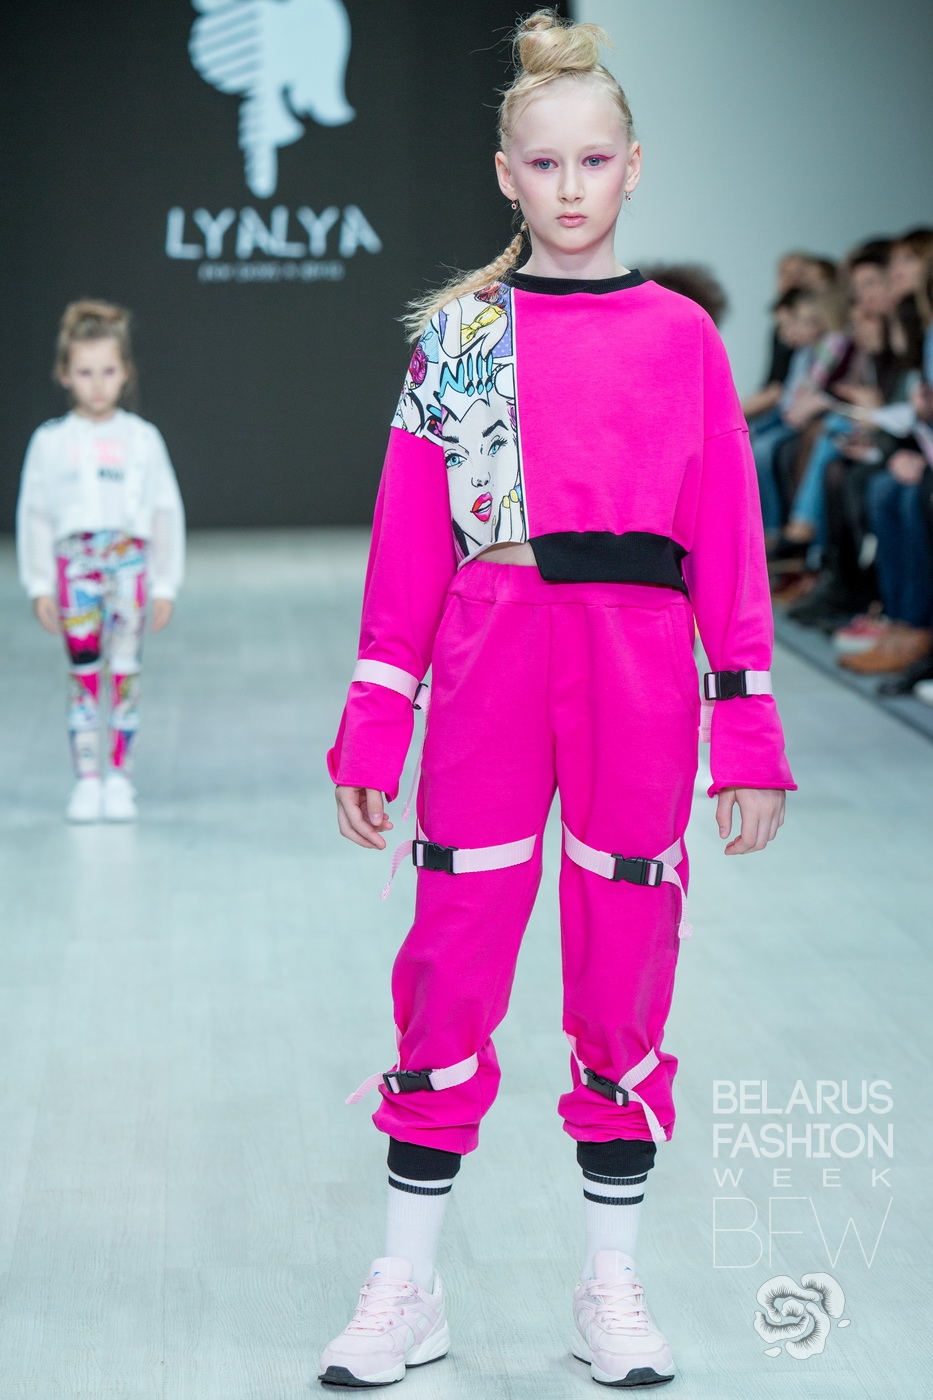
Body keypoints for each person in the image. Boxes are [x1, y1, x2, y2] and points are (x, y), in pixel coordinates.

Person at [323, 10, 793, 1390]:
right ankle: (407, 1283)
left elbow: (730, 539)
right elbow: (410, 542)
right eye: (545, 162)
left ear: (633, 166)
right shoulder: (461, 334)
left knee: (626, 948)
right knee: (453, 943)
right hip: (492, 654)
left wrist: (748, 730)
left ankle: (611, 1283)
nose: (571, 185)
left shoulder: (682, 337)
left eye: (595, 160)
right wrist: (375, 719)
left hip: (637, 668)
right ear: (505, 174)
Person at [16, 300, 185, 823]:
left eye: (107, 371)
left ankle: (120, 779)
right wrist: (39, 583)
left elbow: (164, 510)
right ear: (65, 374)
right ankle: (87, 778)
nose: (96, 384)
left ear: (125, 372)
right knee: (83, 673)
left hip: (130, 569)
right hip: (75, 573)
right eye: (85, 372)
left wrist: (165, 584)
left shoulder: (143, 439)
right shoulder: (50, 441)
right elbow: (35, 514)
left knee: (126, 672)